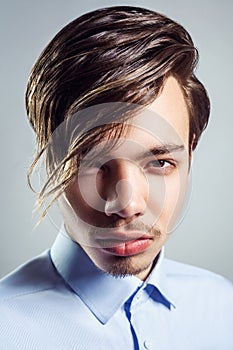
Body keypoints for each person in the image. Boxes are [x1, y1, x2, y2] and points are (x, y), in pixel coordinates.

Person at [0, 6, 232, 350]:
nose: (127, 205)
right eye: (92, 163)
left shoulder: (223, 305)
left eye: (160, 162)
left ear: (190, 156)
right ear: (50, 161)